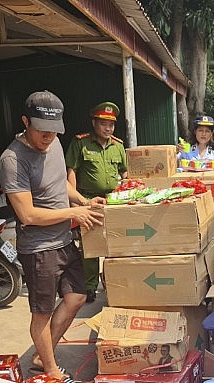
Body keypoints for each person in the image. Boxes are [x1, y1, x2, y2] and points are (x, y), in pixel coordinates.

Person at [0, 90, 104, 383]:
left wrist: (85, 201)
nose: (48, 137)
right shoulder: (12, 160)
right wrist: (74, 213)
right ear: (24, 122)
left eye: (54, 131)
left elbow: (59, 186)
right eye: (42, 131)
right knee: (41, 312)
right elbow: (27, 214)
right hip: (38, 249)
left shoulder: (55, 143)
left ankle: (41, 356)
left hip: (63, 239)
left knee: (77, 297)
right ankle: (51, 370)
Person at [64, 101, 127, 302]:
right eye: (103, 124)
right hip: (89, 201)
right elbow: (71, 171)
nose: (108, 128)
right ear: (94, 123)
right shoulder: (80, 143)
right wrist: (75, 202)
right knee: (91, 247)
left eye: (111, 125)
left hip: (115, 202)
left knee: (118, 243)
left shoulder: (118, 146)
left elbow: (125, 173)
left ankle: (115, 282)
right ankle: (90, 286)